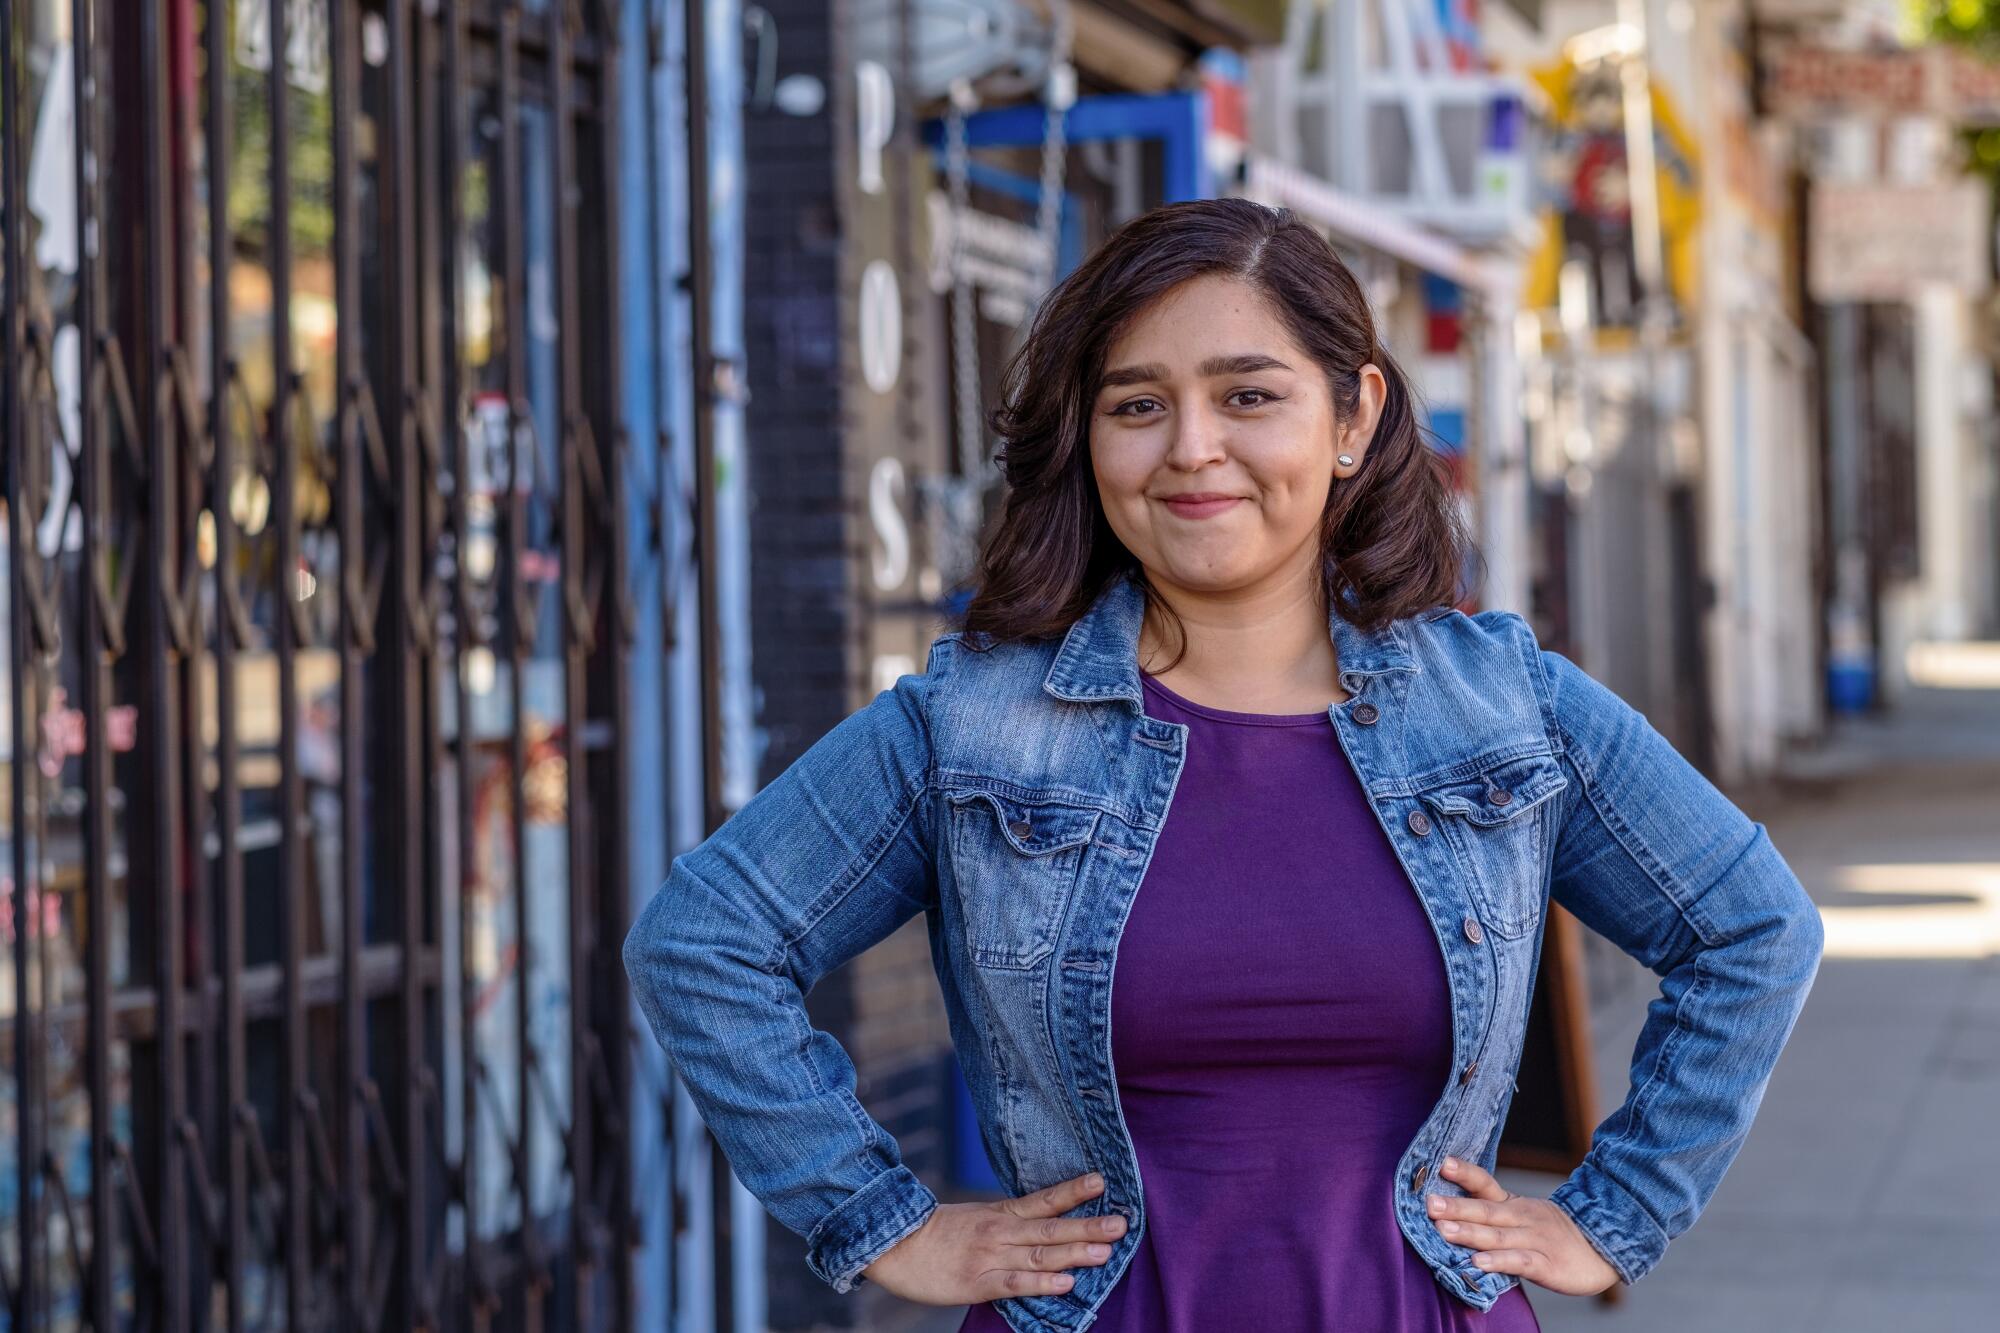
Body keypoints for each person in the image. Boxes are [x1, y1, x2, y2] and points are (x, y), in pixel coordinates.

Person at [623, 198, 1824, 1333]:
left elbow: (1751, 927)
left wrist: (1610, 1218)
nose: (1192, 450)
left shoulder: (1502, 705)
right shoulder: (975, 725)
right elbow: (702, 941)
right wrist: (885, 1223)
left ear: (1351, 418)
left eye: (1247, 394)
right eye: (1136, 405)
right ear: (1088, 439)